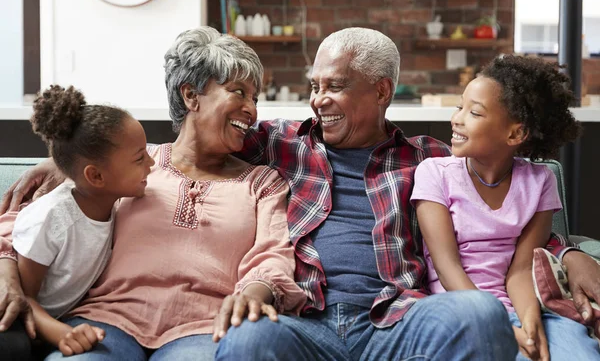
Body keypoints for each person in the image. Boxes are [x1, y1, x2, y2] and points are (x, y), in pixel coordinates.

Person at [3, 27, 600, 360]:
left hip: (394, 319)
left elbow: (508, 196)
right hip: (303, 320)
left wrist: (569, 251)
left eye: (336, 87)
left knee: (474, 314)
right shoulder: (277, 145)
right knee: (242, 340)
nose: (318, 100)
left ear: (382, 91)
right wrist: (72, 168)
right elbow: (194, 144)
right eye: (314, 86)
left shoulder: (432, 160)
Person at [0, 27, 305, 360]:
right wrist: (8, 278)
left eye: (254, 98)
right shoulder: (130, 162)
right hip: (105, 322)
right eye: (238, 92)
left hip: (204, 328)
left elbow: (272, 254)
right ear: (191, 96)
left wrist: (254, 293)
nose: (252, 109)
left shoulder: (262, 183)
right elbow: (24, 225)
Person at [411, 55, 600, 361]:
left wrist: (530, 325)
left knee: (578, 355)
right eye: (460, 106)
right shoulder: (435, 174)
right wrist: (499, 326)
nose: (456, 118)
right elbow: (447, 268)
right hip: (460, 312)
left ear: (515, 134)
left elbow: (521, 269)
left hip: (525, 305)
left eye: (474, 112)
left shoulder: (540, 181)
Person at [13, 85, 153, 357]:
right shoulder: (51, 220)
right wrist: (61, 334)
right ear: (96, 177)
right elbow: (23, 298)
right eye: (140, 158)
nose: (152, 163)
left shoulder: (111, 201)